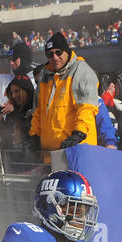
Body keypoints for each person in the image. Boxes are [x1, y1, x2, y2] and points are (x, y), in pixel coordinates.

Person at [28, 33, 100, 167]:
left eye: (58, 52)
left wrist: (79, 133)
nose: (55, 57)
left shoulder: (81, 71)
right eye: (50, 54)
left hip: (77, 152)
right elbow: (38, 112)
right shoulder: (44, 76)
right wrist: (34, 135)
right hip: (51, 155)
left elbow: (86, 108)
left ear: (67, 51)